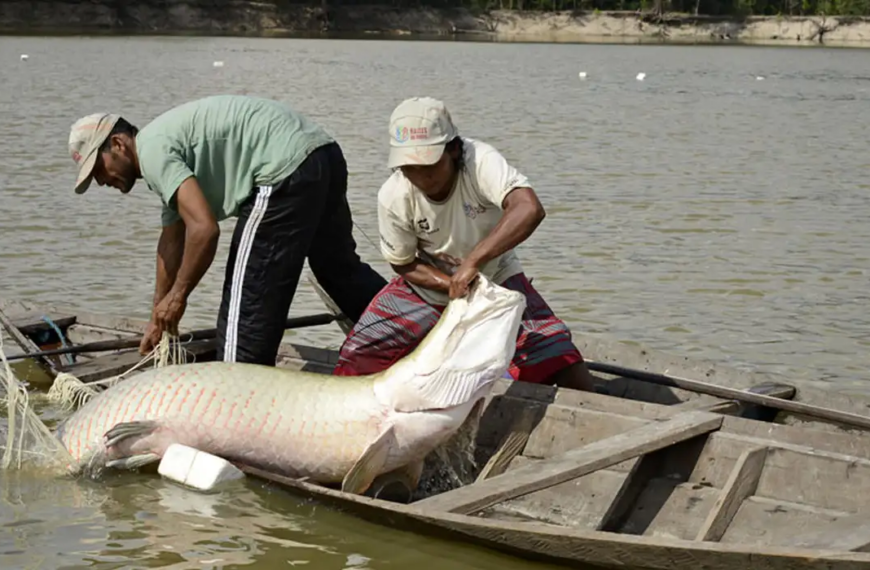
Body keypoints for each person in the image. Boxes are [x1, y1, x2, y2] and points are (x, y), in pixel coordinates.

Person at [68, 95, 387, 366]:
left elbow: (204, 230)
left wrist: (178, 297)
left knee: (245, 309)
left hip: (282, 169)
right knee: (339, 270)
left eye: (98, 168)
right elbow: (171, 240)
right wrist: (157, 315)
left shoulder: (153, 153)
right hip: (323, 153)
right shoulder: (162, 148)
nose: (101, 181)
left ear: (118, 144)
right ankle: (413, 330)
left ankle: (239, 402)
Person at [332, 96, 596, 391]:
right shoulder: (393, 195)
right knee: (356, 358)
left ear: (454, 150)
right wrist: (449, 284)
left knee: (563, 363)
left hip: (495, 278)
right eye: (409, 167)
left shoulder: (479, 161)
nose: (420, 176)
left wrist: (473, 263)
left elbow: (528, 208)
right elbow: (403, 262)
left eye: (429, 164)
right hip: (426, 286)